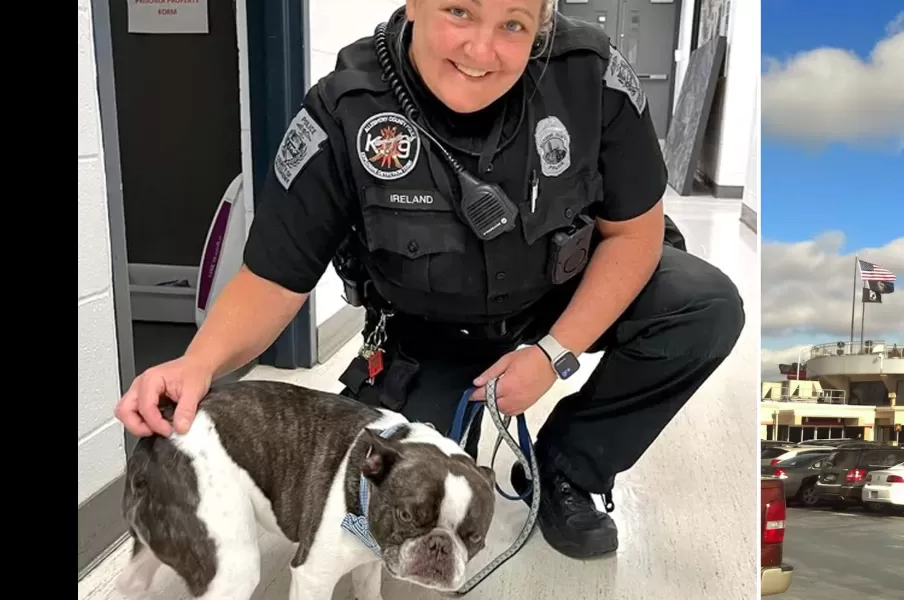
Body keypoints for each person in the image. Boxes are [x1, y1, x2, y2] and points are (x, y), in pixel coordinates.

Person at [113, 0, 745, 560]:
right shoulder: (344, 108)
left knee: (704, 307)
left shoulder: (592, 79)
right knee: (375, 501)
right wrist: (198, 364)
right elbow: (274, 279)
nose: (481, 50)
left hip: (559, 296)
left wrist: (554, 354)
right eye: (460, 13)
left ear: (544, 24)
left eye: (513, 25)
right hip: (428, 330)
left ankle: (568, 470)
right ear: (414, 3)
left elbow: (634, 235)